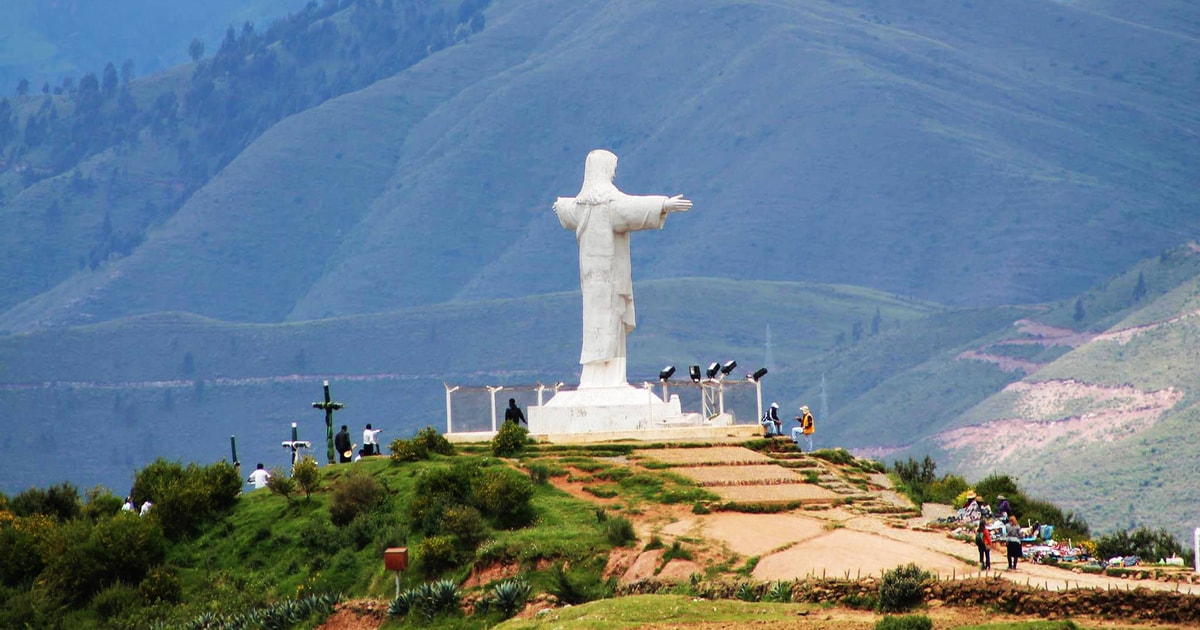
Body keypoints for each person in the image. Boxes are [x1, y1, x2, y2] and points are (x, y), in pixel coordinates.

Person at [554, 149, 692, 388]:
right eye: (613, 167)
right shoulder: (607, 202)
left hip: (590, 276)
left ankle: (599, 376)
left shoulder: (582, 205)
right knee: (610, 320)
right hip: (609, 278)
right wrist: (664, 203)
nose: (615, 173)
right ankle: (608, 378)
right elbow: (633, 208)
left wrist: (559, 205)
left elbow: (567, 211)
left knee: (599, 322)